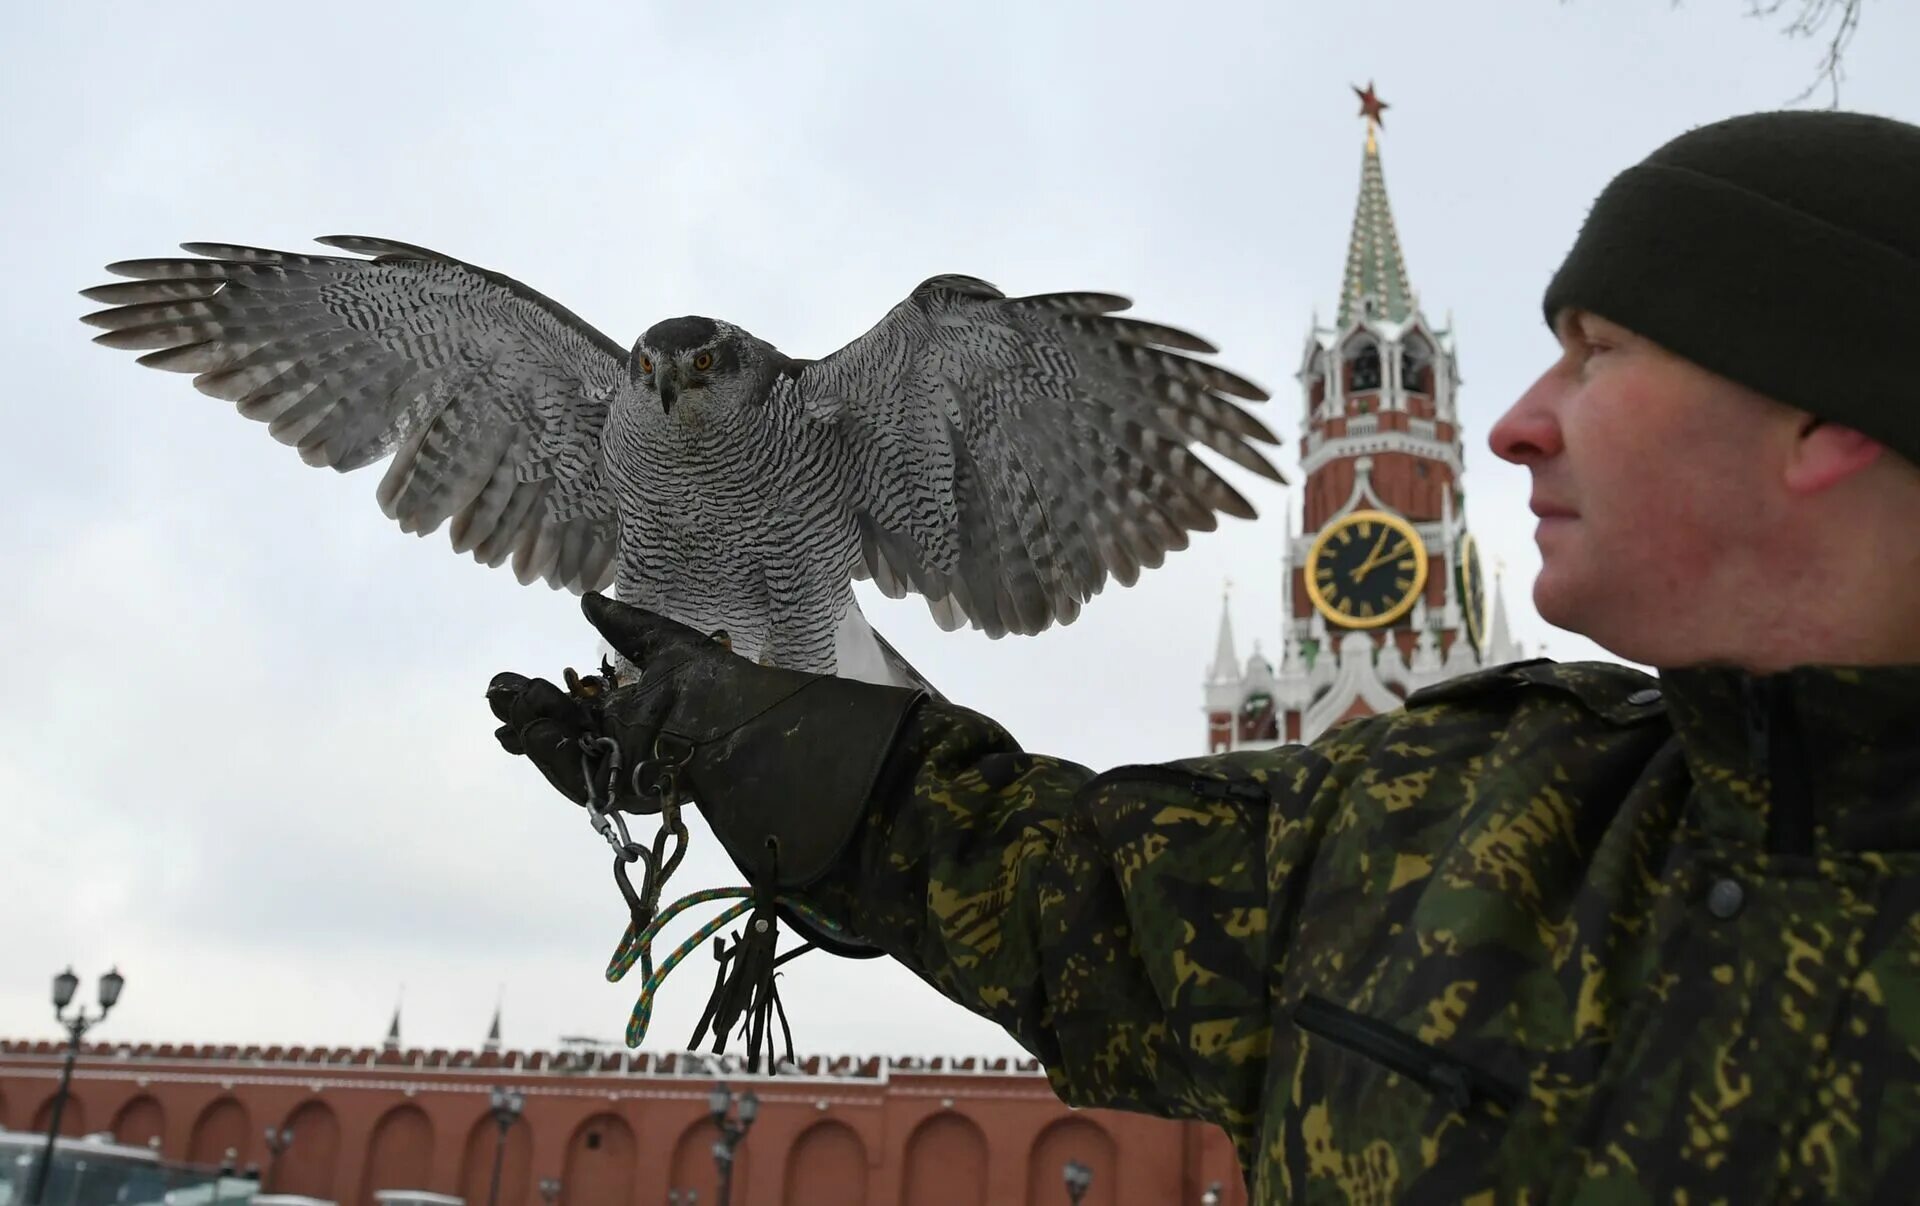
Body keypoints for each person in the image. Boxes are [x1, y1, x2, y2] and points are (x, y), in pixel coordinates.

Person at [488, 110, 1920, 1202]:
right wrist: (764, 740)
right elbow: (1054, 890)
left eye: (1599, 353)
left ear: (1827, 416)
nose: (1513, 424)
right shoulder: (1462, 806)